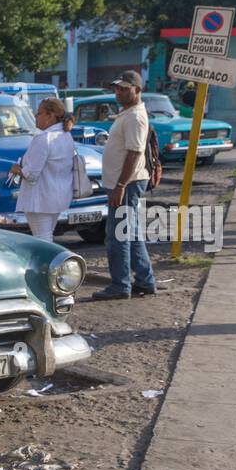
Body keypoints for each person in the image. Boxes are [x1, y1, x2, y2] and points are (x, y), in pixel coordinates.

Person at [92, 70, 156, 300]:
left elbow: (134, 153)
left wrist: (120, 185)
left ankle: (120, 285)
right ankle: (145, 280)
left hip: (127, 183)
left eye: (124, 89)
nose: (118, 92)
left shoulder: (135, 117)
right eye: (117, 88)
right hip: (125, 182)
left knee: (118, 236)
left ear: (137, 90)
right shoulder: (127, 113)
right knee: (132, 233)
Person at [11, 97, 75, 241]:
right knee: (47, 236)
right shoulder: (66, 136)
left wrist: (17, 169)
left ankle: (49, 264)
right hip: (58, 195)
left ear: (50, 116)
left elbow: (31, 174)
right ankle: (51, 263)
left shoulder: (43, 138)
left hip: (40, 198)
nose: (35, 116)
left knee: (42, 239)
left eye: (39, 113)